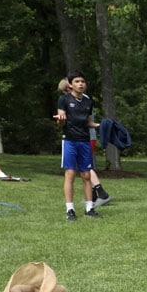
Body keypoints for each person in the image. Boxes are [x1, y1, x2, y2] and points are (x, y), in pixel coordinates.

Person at [55, 72, 101, 220]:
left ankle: (89, 208)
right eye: (77, 81)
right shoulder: (64, 100)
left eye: (82, 81)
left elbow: (89, 122)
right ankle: (70, 210)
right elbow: (61, 123)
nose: (80, 84)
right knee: (70, 174)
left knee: (86, 175)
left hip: (85, 141)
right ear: (70, 84)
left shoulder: (88, 102)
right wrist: (61, 120)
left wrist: (101, 125)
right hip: (69, 140)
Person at [58, 78, 111, 206]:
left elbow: (87, 121)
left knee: (86, 167)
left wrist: (99, 125)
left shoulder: (84, 99)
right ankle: (93, 196)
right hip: (75, 138)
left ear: (69, 88)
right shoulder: (67, 100)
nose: (66, 93)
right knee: (79, 169)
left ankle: (100, 191)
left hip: (87, 138)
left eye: (66, 91)